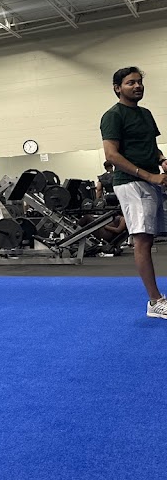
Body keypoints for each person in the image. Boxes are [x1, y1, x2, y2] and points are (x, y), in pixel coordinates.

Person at [100, 66, 167, 318]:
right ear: (117, 88)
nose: (137, 86)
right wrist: (149, 175)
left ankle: (157, 299)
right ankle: (154, 301)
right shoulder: (113, 116)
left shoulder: (146, 114)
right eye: (130, 83)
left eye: (139, 82)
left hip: (151, 182)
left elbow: (151, 146)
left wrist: (162, 160)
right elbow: (111, 155)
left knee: (150, 238)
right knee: (142, 240)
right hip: (131, 183)